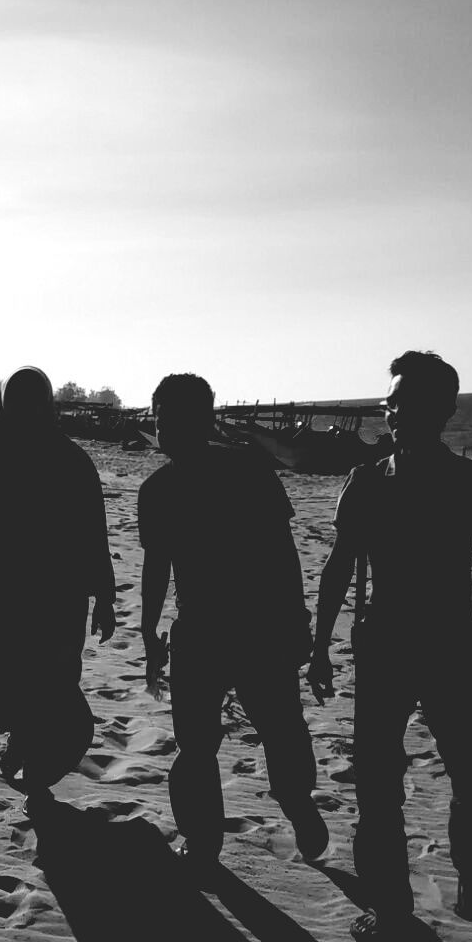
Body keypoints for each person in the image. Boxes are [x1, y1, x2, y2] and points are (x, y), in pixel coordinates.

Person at [308, 351, 472, 942]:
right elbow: (339, 566)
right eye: (389, 400)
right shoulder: (365, 481)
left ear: (443, 410)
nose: (392, 411)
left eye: (406, 402)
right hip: (383, 648)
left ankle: (470, 863)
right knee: (376, 786)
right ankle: (391, 908)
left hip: (451, 650)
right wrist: (319, 646)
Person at [137, 373, 326, 879]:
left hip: (259, 628)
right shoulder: (156, 490)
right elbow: (156, 565)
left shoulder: (247, 470)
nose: (166, 426)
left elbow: (283, 553)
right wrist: (149, 629)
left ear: (204, 420)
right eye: (160, 416)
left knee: (280, 729)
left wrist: (299, 620)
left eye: (177, 417)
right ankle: (202, 841)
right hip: (197, 631)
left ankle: (298, 803)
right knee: (196, 744)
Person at [0, 366, 117, 811]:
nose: (27, 409)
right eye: (19, 399)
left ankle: (40, 775)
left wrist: (103, 595)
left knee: (51, 685)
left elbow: (93, 534)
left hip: (56, 601)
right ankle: (23, 734)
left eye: (35, 400)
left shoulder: (72, 461)